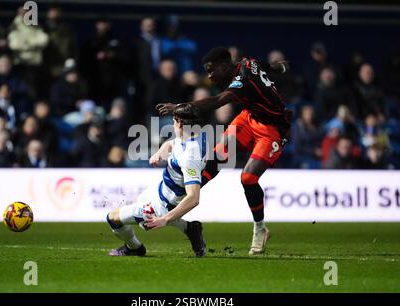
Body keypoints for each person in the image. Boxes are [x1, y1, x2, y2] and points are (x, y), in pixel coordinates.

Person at [157, 47, 292, 255]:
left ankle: (260, 228)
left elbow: (218, 101)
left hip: (272, 129)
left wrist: (179, 106)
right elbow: (262, 65)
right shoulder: (247, 62)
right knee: (219, 157)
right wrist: (277, 68)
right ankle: (186, 193)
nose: (209, 75)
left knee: (248, 178)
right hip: (248, 118)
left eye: (211, 70)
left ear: (224, 66)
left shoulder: (242, 81)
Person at [106, 103, 207, 257]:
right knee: (138, 203)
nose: (172, 125)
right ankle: (190, 229)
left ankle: (134, 248)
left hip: (163, 205)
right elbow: (171, 144)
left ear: (180, 123)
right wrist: (160, 153)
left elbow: (193, 198)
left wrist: (165, 219)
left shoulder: (190, 157)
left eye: (173, 121)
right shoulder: (194, 134)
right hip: (160, 190)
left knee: (113, 218)